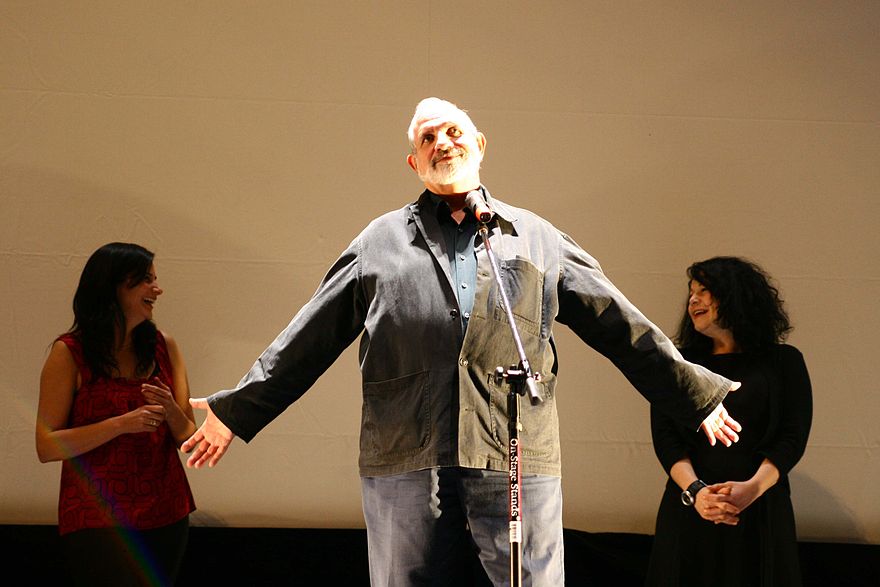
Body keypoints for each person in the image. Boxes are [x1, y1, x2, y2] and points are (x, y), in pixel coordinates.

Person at [182, 97, 742, 586]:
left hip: (515, 453)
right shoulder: (380, 243)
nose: (441, 143)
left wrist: (693, 393)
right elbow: (308, 335)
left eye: (452, 132)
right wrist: (238, 410)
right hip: (406, 456)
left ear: (478, 145)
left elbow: (620, 324)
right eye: (428, 138)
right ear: (414, 162)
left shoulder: (536, 238)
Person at [36, 242, 197, 587]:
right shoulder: (69, 353)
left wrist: (170, 409)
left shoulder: (164, 346)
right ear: (112, 288)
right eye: (144, 280)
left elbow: (188, 437)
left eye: (155, 279)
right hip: (97, 514)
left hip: (165, 510)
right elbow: (47, 446)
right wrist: (121, 424)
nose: (157, 289)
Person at [645, 256, 812, 586]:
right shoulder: (679, 363)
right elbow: (666, 439)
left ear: (736, 295)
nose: (693, 299)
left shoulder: (784, 362)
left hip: (760, 510)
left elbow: (792, 437)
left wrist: (751, 489)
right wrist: (698, 493)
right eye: (691, 292)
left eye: (704, 290)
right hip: (691, 507)